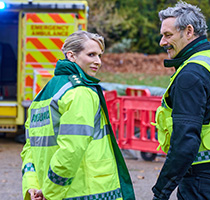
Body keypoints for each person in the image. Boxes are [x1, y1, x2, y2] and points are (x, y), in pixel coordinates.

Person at [21, 30, 135, 200]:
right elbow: (72, 149)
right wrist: (51, 192)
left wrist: (33, 186)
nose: (98, 62)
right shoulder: (80, 92)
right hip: (83, 191)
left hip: (48, 190)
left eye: (99, 55)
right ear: (71, 56)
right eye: (91, 55)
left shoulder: (42, 95)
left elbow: (29, 148)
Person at [152, 1, 210, 199]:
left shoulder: (190, 75)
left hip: (202, 179)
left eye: (168, 35)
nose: (162, 42)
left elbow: (185, 141)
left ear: (189, 31)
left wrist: (161, 190)